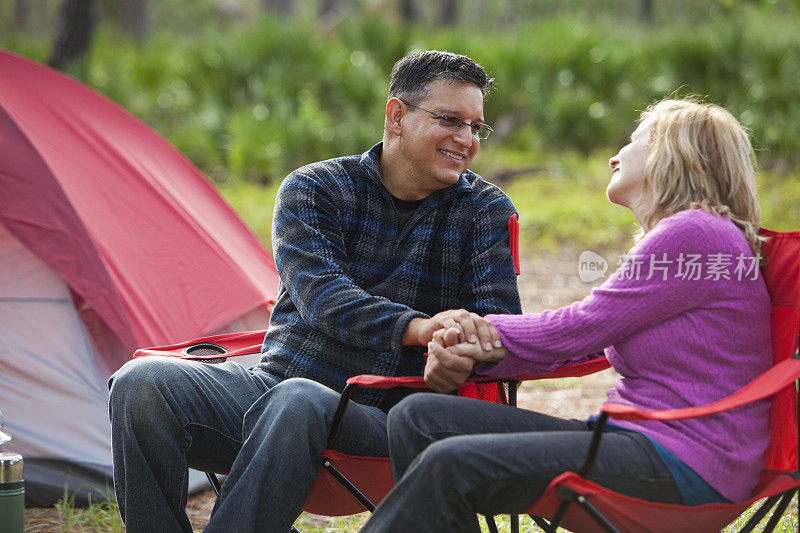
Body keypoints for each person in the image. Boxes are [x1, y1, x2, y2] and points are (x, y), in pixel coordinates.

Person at [107, 50, 521, 532]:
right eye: (450, 120)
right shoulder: (314, 188)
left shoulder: (486, 210)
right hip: (273, 389)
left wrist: (460, 354)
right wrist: (422, 328)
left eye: (476, 126)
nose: (466, 139)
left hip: (392, 417)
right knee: (141, 383)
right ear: (397, 116)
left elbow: (498, 326)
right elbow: (323, 298)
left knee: (300, 400)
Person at [360, 98, 771, 532]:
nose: (616, 155)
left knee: (448, 461)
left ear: (673, 153)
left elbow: (579, 328)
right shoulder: (697, 236)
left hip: (684, 458)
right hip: (640, 441)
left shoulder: (693, 233)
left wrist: (469, 331)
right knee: (420, 418)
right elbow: (585, 345)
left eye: (634, 142)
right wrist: (476, 348)